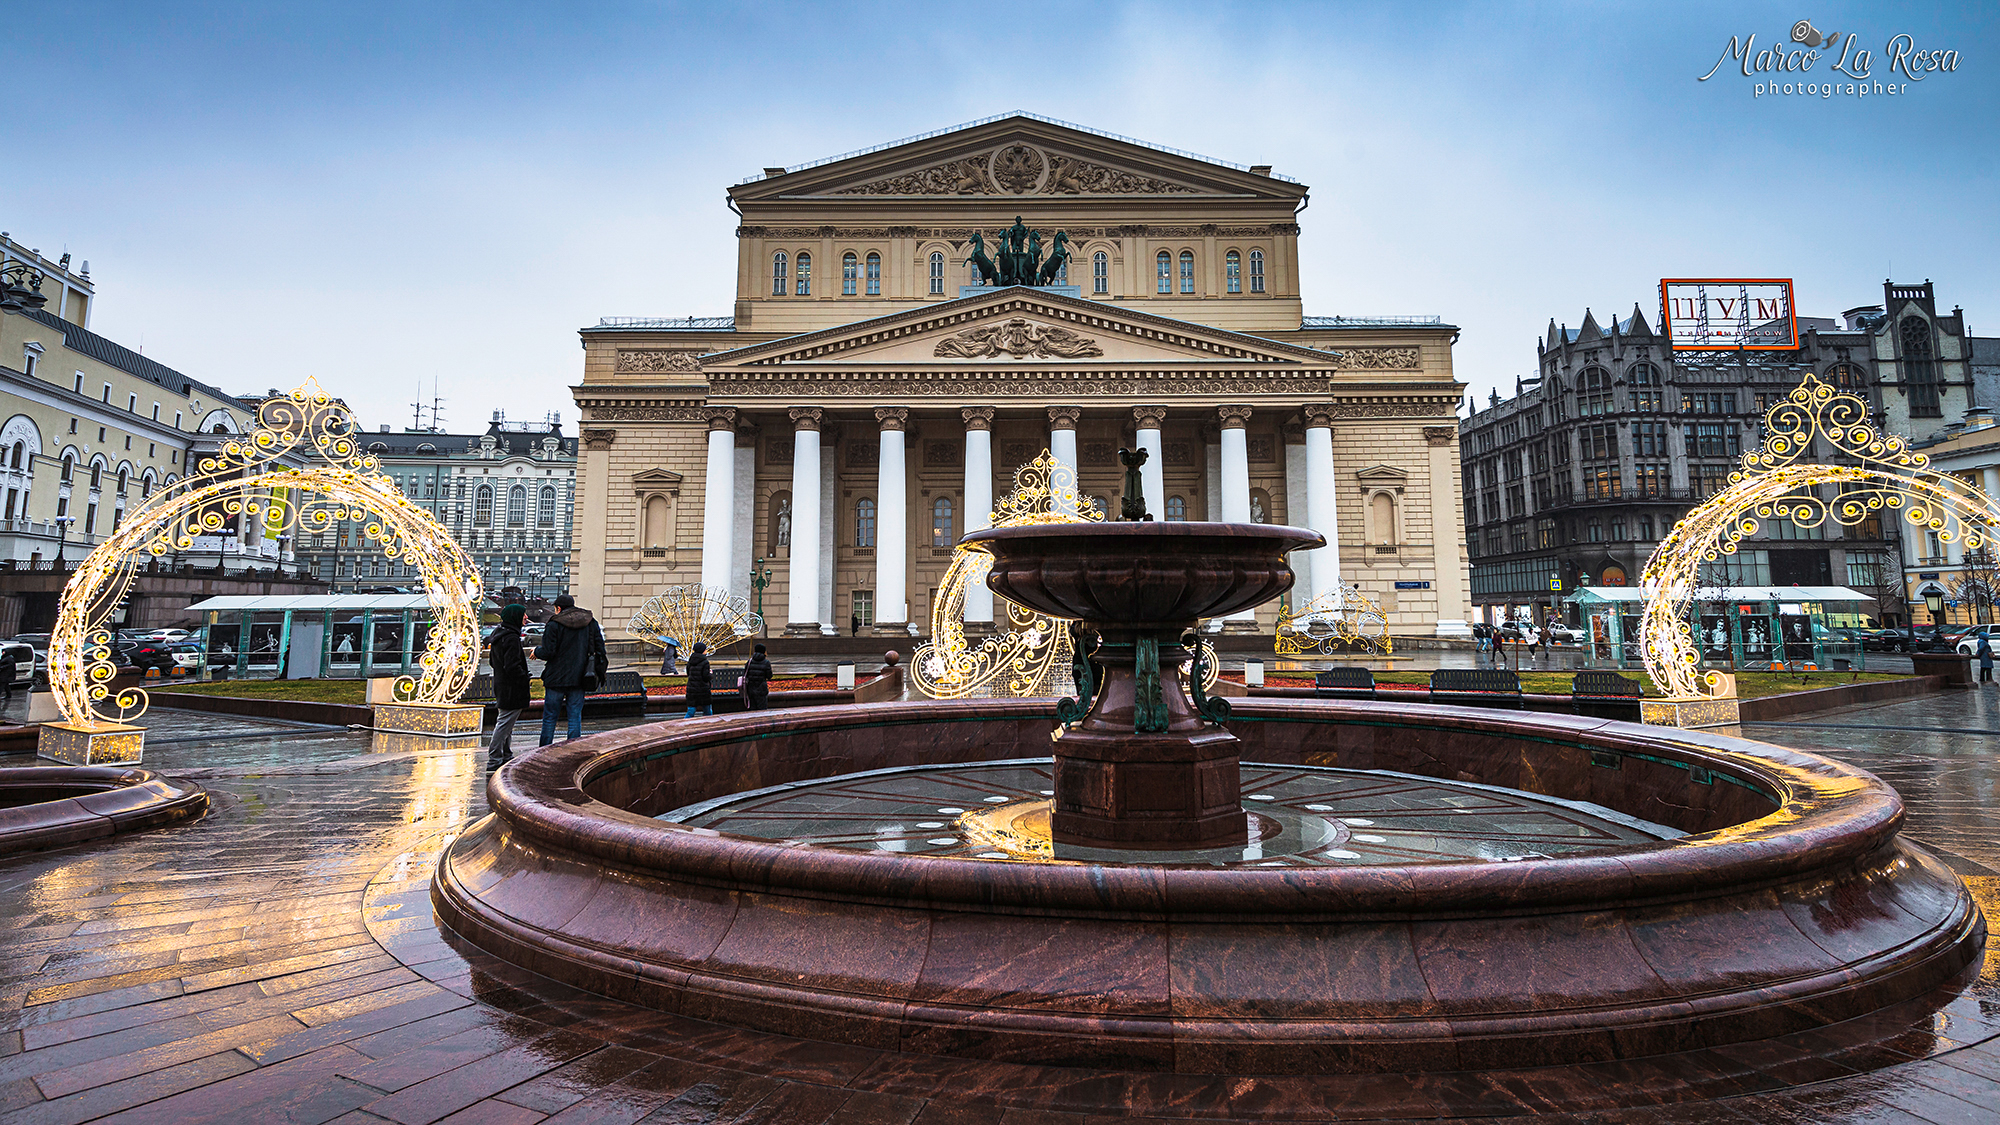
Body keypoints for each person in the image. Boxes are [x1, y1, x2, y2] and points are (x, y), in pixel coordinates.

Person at [535, 594, 608, 745]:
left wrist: (536, 651)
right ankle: (574, 750)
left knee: (550, 718)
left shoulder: (553, 624)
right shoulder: (589, 622)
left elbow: (549, 652)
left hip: (555, 679)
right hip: (580, 678)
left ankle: (543, 752)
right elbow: (600, 648)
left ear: (559, 608)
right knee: (575, 717)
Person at [486, 604, 531, 772]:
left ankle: (505, 754)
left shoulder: (499, 635)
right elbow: (512, 666)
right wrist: (524, 677)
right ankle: (495, 758)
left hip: (502, 685)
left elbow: (493, 662)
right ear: (515, 617)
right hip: (512, 688)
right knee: (504, 723)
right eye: (523, 615)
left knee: (506, 723)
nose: (526, 617)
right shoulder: (511, 637)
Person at [685, 641, 712, 717]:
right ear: (702, 650)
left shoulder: (690, 661)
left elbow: (689, 673)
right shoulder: (705, 662)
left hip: (692, 689)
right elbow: (706, 677)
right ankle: (710, 725)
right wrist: (711, 674)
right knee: (707, 711)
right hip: (702, 689)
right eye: (705, 649)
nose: (706, 650)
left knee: (691, 711)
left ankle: (683, 724)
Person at [743, 643, 772, 710]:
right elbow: (769, 676)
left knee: (752, 708)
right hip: (761, 689)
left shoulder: (749, 661)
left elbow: (745, 674)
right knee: (762, 709)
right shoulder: (766, 662)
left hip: (750, 689)